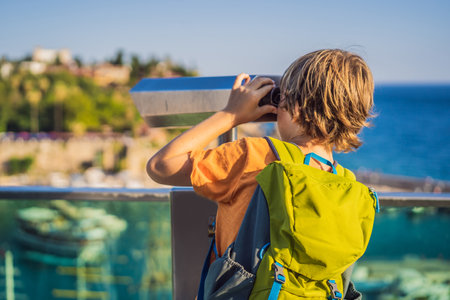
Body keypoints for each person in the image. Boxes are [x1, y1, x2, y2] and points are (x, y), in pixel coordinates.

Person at [147, 48, 374, 265]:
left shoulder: (252, 157)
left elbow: (161, 165)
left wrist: (231, 114)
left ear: (296, 107)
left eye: (280, 97)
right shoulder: (345, 185)